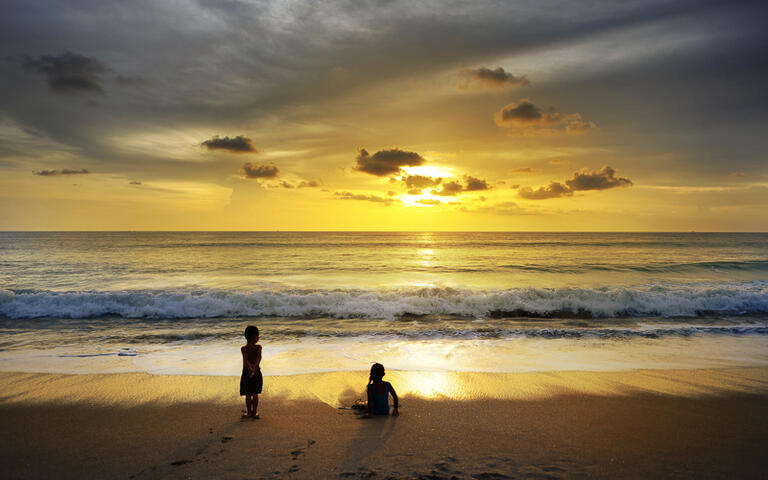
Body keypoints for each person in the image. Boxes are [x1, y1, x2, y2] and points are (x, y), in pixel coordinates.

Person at [240, 325, 262, 419]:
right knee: (255, 394)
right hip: (256, 372)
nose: (258, 337)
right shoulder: (258, 348)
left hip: (246, 373)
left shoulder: (243, 349)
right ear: (254, 337)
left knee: (248, 394)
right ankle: (255, 412)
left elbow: (245, 361)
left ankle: (249, 412)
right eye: (258, 336)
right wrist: (254, 369)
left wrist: (250, 369)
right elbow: (258, 359)